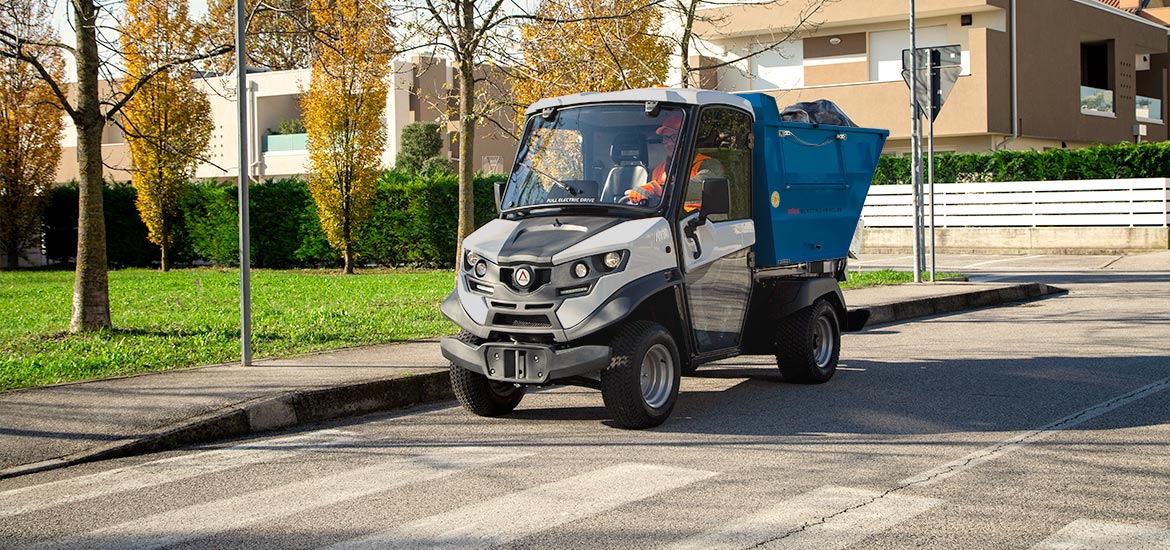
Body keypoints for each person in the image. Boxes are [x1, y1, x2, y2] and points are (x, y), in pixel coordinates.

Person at [624, 113, 723, 212]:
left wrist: (660, 189)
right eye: (666, 138)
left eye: (675, 137)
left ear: (687, 139)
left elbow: (701, 188)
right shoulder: (656, 171)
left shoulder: (709, 164)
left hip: (699, 223)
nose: (669, 143)